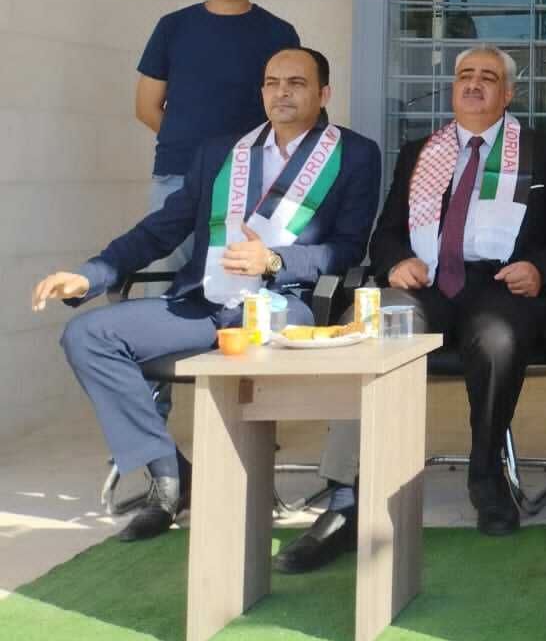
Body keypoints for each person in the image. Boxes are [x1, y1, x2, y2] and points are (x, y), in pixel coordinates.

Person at [32, 48, 379, 542]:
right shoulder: (221, 152)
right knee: (88, 335)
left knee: (246, 351)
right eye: (272, 82)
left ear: (324, 93)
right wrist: (90, 276)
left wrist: (273, 260)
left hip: (282, 304)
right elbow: (161, 229)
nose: (282, 92)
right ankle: (170, 476)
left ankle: (254, 495)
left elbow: (346, 249)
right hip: (204, 301)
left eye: (297, 83)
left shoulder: (355, 154)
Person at [276, 46, 546, 571]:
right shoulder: (421, 152)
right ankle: (347, 496)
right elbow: (386, 234)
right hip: (426, 283)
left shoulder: (545, 151)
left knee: (496, 339)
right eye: (465, 75)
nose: (474, 85)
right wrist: (395, 261)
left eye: (488, 78)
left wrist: (538, 265)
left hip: (502, 285)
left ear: (508, 94)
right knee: (371, 327)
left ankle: (486, 473)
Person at [135, 0, 299, 285]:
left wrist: (234, 157)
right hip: (177, 177)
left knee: (236, 288)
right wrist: (196, 146)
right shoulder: (173, 27)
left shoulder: (279, 34)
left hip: (252, 182)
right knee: (162, 284)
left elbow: (291, 110)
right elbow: (146, 106)